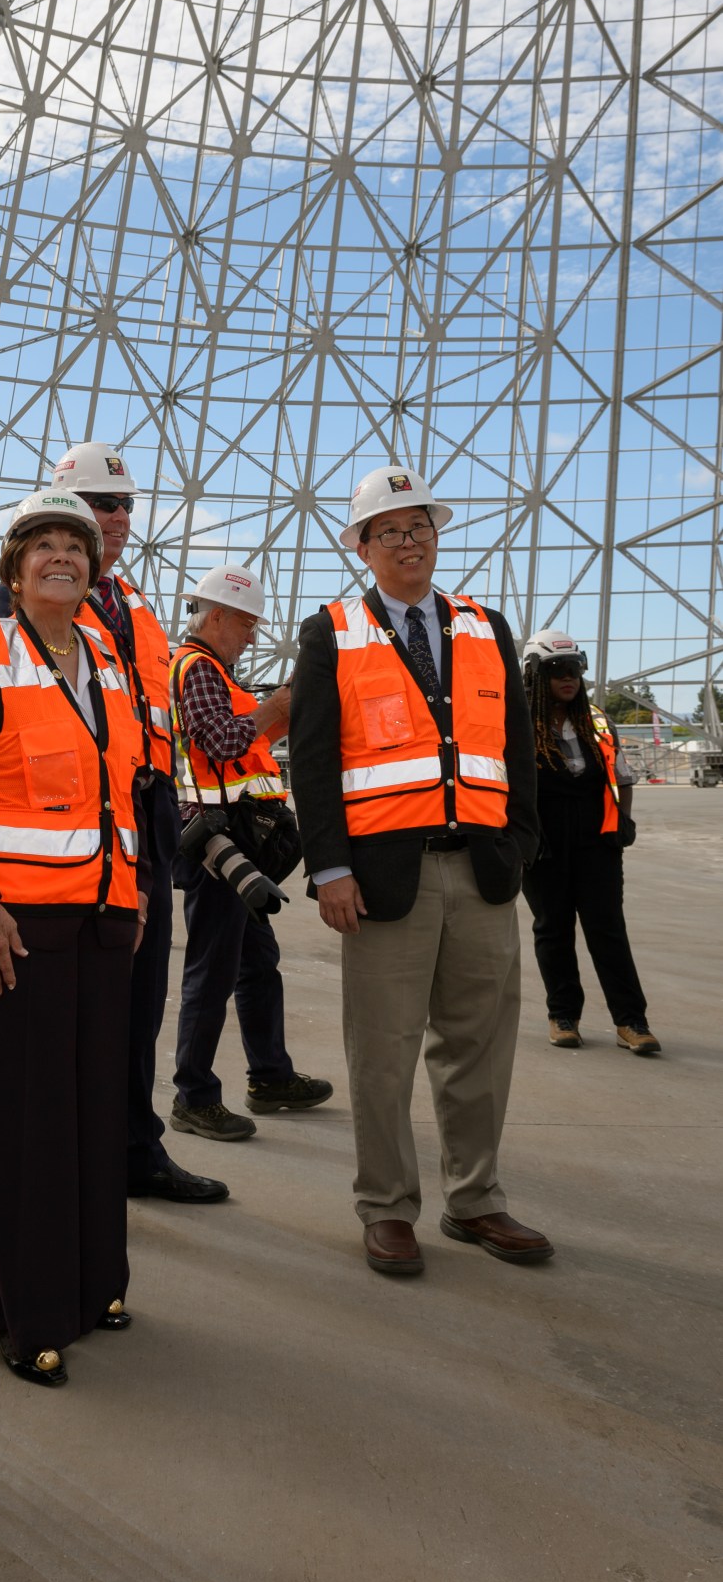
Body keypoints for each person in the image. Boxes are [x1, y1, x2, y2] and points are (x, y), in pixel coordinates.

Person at [290, 465, 549, 1278]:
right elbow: (312, 756)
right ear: (362, 547)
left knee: (479, 1044)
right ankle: (386, 1205)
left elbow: (514, 747)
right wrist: (329, 865)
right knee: (382, 1050)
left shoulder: (484, 625)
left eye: (421, 527)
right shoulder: (331, 631)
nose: (409, 541)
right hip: (381, 879)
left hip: (480, 871)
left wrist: (519, 843)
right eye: (391, 530)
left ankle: (474, 1198)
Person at [0, 490, 147, 1387]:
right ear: (14, 567)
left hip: (99, 922)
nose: (63, 556)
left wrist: (126, 902)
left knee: (94, 1111)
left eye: (77, 546)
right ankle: (27, 1314)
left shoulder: (106, 657)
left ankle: (94, 1282)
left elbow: (121, 791)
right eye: (44, 545)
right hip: (10, 925)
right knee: (25, 1122)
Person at [0, 443, 227, 1205]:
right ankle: (73, 1156)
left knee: (138, 995)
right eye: (96, 503)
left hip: (145, 819)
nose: (113, 517)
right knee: (71, 1007)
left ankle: (132, 1145)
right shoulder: (25, 605)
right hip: (65, 834)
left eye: (121, 505)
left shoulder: (140, 612)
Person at [167, 563, 332, 1141]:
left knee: (257, 965)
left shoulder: (217, 674)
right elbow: (226, 739)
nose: (252, 635)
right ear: (216, 616)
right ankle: (194, 1095)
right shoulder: (198, 669)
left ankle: (270, 1075)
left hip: (241, 847)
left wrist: (276, 714)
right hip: (219, 850)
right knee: (212, 971)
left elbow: (244, 747)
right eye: (246, 623)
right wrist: (281, 702)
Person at [520, 630, 660, 1055]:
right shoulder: (518, 725)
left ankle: (631, 1021)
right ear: (534, 675)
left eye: (575, 669)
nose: (569, 677)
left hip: (597, 844)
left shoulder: (597, 721)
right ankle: (563, 1016)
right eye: (557, 670)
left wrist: (624, 823)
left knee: (608, 930)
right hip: (544, 847)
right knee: (553, 930)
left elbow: (622, 777)